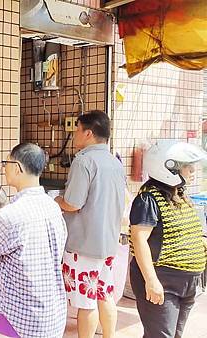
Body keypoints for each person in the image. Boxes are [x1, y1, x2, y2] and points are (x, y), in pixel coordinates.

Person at [0, 143, 68, 338]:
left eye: (6, 163)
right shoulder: (52, 207)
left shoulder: (9, 216)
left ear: (17, 168)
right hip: (52, 313)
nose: (4, 168)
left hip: (19, 317)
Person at [54, 111, 126, 338]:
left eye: (76, 130)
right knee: (104, 293)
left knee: (86, 302)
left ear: (88, 133)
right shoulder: (115, 162)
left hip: (83, 245)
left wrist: (57, 201)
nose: (74, 134)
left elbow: (73, 203)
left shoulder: (84, 161)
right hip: (108, 242)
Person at [129, 140, 207, 338]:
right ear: (167, 167)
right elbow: (139, 240)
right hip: (163, 282)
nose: (192, 171)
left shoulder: (178, 193)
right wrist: (152, 281)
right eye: (187, 166)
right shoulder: (148, 199)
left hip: (186, 284)